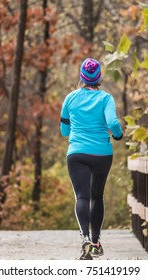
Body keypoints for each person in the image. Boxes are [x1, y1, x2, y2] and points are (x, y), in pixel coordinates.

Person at [60, 58, 123, 260]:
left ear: (81, 77)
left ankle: (85, 239)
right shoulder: (106, 99)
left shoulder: (70, 98)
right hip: (102, 154)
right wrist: (118, 134)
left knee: (82, 197)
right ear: (99, 78)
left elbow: (64, 130)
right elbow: (112, 122)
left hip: (77, 153)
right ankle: (96, 242)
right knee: (97, 196)